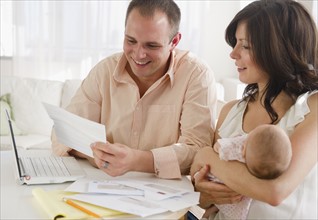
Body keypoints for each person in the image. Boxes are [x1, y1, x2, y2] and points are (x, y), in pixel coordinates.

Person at [51, 0, 217, 179]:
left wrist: (136, 160)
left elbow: (198, 150)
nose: (138, 54)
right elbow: (62, 131)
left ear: (174, 41)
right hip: (105, 185)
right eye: (131, 41)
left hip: (166, 191)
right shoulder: (105, 71)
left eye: (152, 46)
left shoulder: (196, 74)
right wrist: (98, 154)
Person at [191, 0, 318, 219]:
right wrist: (203, 192)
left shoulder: (311, 108)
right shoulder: (230, 112)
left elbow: (275, 191)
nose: (233, 54)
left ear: (278, 50)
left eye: (246, 45)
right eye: (236, 43)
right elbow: (204, 200)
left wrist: (206, 156)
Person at [196, 124, 292, 220]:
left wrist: (208, 153)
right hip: (238, 207)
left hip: (219, 187)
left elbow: (219, 147)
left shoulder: (239, 150)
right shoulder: (262, 165)